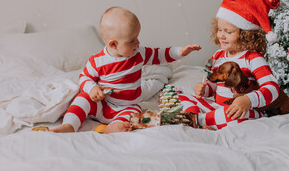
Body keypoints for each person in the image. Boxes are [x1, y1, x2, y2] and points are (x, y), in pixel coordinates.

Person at [52, 7, 201, 133]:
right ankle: (70, 125)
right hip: (104, 105)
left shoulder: (139, 54)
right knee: (82, 98)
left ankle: (111, 127)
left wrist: (179, 51)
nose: (138, 43)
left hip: (127, 106)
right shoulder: (98, 61)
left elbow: (159, 55)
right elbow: (84, 77)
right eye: (132, 41)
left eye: (137, 38)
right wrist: (92, 88)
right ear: (113, 44)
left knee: (133, 117)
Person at [179, 0, 279, 130]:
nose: (221, 35)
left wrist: (248, 100)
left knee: (233, 115)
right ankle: (203, 120)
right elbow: (215, 86)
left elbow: (272, 89)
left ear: (246, 35)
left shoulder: (253, 58)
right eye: (220, 30)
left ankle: (197, 119)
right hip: (218, 107)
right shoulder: (218, 55)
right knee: (181, 97)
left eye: (228, 32)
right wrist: (205, 90)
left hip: (242, 110)